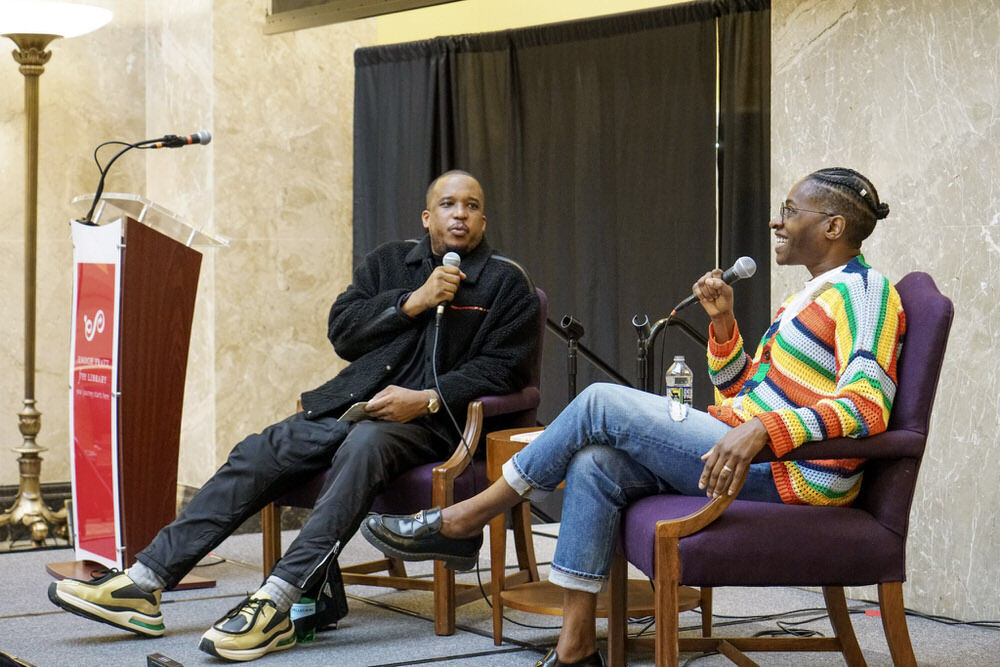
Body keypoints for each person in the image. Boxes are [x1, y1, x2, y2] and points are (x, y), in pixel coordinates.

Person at [362, 167, 906, 667]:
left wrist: (765, 428)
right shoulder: (810, 297)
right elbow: (744, 390)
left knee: (600, 401)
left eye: (790, 210)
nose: (776, 220)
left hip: (795, 474)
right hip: (752, 454)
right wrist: (723, 327)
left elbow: (868, 404)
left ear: (833, 226)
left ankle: (466, 519)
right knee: (597, 461)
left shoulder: (867, 292)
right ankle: (576, 649)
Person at [48, 170, 541, 662]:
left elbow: (506, 370)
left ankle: (280, 599)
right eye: (449, 205)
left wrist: (428, 397)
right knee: (260, 449)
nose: (461, 214)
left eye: (472, 206)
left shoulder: (505, 282)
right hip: (355, 406)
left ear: (482, 219)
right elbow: (343, 332)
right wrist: (412, 302)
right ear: (427, 216)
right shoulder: (390, 263)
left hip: (435, 426)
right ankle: (145, 582)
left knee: (365, 445)